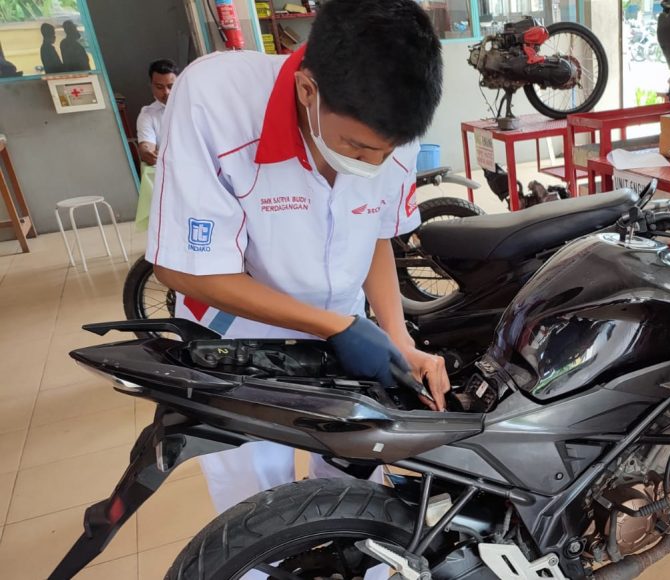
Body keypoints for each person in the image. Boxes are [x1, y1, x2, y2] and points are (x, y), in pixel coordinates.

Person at [147, 0, 448, 513]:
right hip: (238, 343)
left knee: (355, 491)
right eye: (357, 148)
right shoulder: (215, 100)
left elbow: (374, 232)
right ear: (308, 91)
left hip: (344, 331)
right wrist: (336, 327)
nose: (373, 164)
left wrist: (397, 341)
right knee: (259, 505)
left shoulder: (391, 127)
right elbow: (183, 267)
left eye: (388, 152)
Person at [136, 59, 178, 166]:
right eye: (159, 87)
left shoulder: (194, 107)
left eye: (171, 86)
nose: (166, 92)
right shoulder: (147, 115)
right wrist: (147, 153)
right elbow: (147, 146)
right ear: (151, 86)